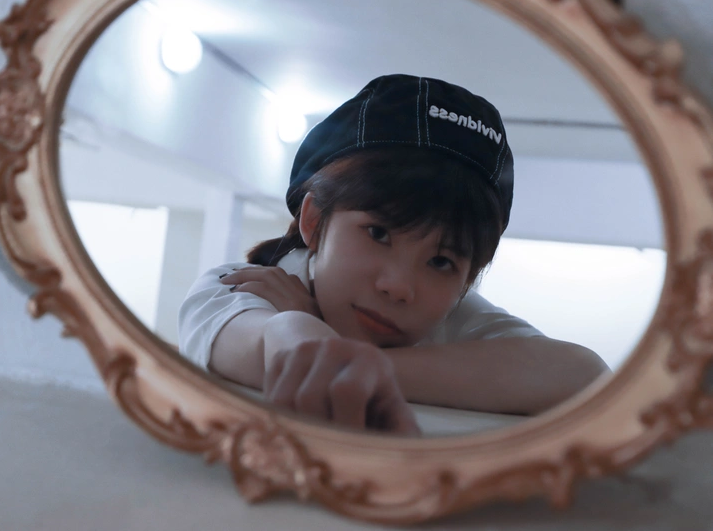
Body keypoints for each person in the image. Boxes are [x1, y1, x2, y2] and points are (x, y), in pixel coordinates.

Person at [178, 74, 610, 435]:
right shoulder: (240, 288)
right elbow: (261, 344)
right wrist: (294, 325)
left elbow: (583, 376)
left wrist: (340, 349)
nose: (399, 286)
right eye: (378, 233)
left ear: (466, 281)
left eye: (441, 262)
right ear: (313, 221)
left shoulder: (458, 317)